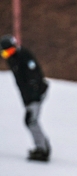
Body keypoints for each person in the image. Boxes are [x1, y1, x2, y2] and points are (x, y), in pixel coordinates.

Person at [1, 34, 50, 162]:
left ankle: (42, 149)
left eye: (9, 51)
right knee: (31, 120)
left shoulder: (23, 56)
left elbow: (34, 76)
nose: (8, 55)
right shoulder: (13, 59)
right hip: (29, 96)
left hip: (36, 94)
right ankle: (43, 145)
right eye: (5, 53)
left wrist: (34, 96)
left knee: (31, 120)